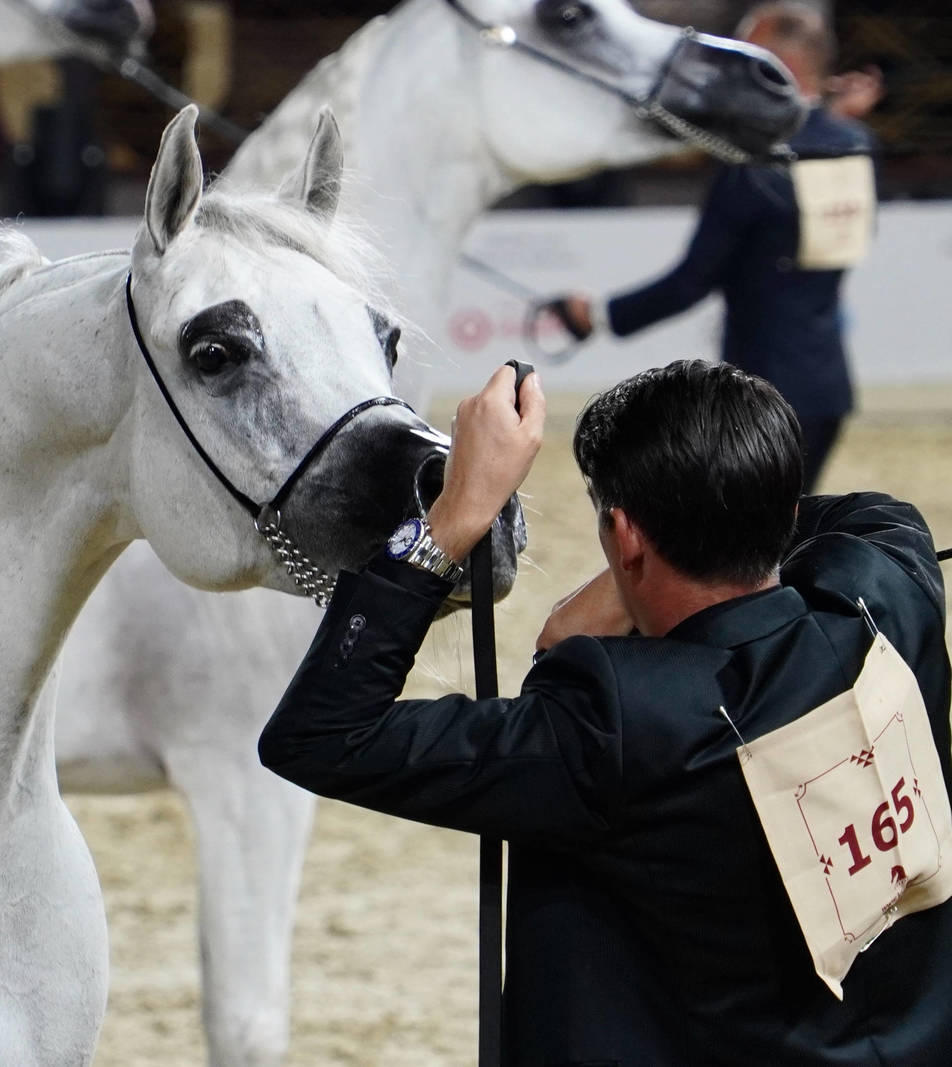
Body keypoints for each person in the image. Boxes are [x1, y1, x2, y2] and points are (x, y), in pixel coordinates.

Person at [259, 359, 952, 1065]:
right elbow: (862, 516)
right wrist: (650, 574)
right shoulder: (889, 590)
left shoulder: (618, 719)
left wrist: (453, 521)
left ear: (623, 535)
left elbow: (322, 734)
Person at [553, 3, 877, 493]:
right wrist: (835, 115)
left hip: (761, 389)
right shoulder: (854, 143)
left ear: (779, 62)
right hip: (827, 383)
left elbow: (692, 281)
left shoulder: (752, 163)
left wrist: (596, 317)